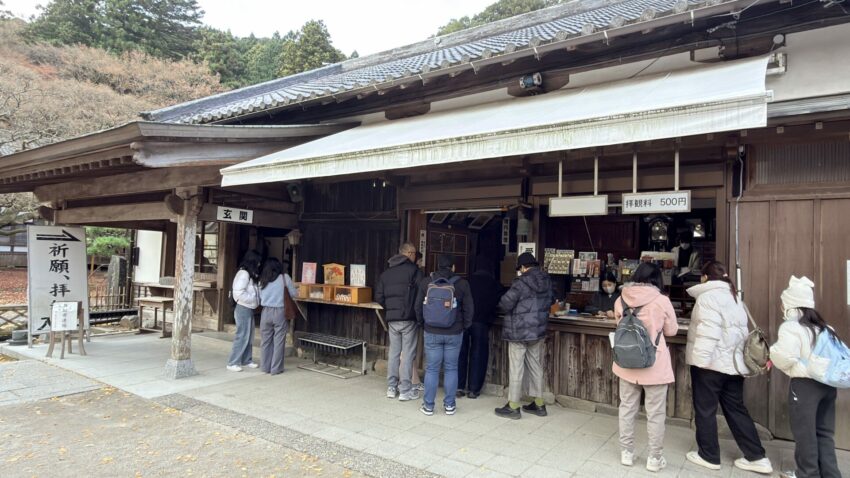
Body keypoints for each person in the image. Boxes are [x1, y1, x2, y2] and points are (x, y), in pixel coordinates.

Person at [685, 261, 773, 474]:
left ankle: (709, 455)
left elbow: (708, 333)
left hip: (710, 365)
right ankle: (757, 457)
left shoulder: (707, 298)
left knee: (705, 410)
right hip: (734, 366)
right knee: (736, 409)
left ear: (705, 277)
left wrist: (700, 362)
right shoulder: (735, 298)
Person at [770, 276, 842, 478]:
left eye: (783, 302)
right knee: (824, 433)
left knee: (805, 434)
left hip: (804, 387)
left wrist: (772, 353)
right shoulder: (826, 328)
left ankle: (807, 474)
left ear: (790, 304)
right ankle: (830, 473)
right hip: (828, 386)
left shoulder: (792, 327)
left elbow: (784, 357)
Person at [614, 262, 678, 472]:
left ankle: (626, 453)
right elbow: (672, 331)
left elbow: (619, 325)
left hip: (626, 362)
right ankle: (654, 458)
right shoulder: (662, 301)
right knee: (656, 413)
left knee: (626, 408)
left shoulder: (621, 298)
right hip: (654, 365)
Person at [494, 252, 553, 419]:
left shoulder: (520, 283)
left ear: (523, 267)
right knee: (536, 366)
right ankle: (539, 404)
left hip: (518, 332)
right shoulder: (546, 280)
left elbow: (505, 303)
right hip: (537, 331)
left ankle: (513, 406)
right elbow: (552, 300)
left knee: (516, 368)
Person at [414, 254, 474, 416]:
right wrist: (464, 326)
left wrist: (422, 324)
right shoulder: (462, 284)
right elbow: (469, 309)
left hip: (431, 331)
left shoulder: (427, 282)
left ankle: (428, 406)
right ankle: (449, 405)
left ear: (437, 266)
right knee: (451, 368)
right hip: (454, 332)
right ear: (453, 267)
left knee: (432, 369)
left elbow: (417, 306)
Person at [375, 242, 424, 401]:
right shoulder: (414, 272)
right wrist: (415, 313)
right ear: (409, 253)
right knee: (408, 354)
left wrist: (390, 308)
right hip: (408, 319)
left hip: (392, 319)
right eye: (415, 253)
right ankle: (404, 390)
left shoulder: (386, 274)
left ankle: (391, 387)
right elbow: (421, 295)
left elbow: (379, 297)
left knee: (394, 353)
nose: (415, 256)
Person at [457, 256, 503, 399]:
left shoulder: (466, 282)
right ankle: (473, 389)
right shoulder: (494, 285)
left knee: (461, 354)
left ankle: (459, 387)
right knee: (479, 354)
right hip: (482, 322)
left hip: (465, 322)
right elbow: (499, 304)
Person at [258, 257, 298, 375]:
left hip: (265, 312)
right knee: (279, 341)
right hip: (280, 312)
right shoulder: (284, 278)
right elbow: (293, 294)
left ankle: (265, 367)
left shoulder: (262, 280)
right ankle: (276, 368)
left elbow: (259, 296)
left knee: (265, 341)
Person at [227, 250, 262, 372]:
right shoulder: (243, 274)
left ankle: (247, 360)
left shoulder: (250, 274)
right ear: (253, 261)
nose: (259, 264)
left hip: (249, 308)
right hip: (243, 307)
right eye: (258, 261)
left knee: (249, 335)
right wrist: (253, 299)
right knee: (242, 335)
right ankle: (233, 362)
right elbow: (238, 293)